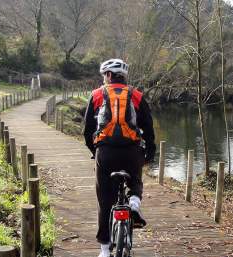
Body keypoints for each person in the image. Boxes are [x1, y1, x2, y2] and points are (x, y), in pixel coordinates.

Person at [83, 58, 156, 257]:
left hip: (105, 153)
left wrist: (95, 151)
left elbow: (87, 130)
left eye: (104, 75)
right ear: (124, 76)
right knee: (136, 179)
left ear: (107, 75)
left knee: (104, 199)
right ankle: (133, 202)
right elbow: (148, 128)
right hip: (131, 151)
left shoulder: (97, 95)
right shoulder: (137, 96)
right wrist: (150, 152)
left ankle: (105, 250)